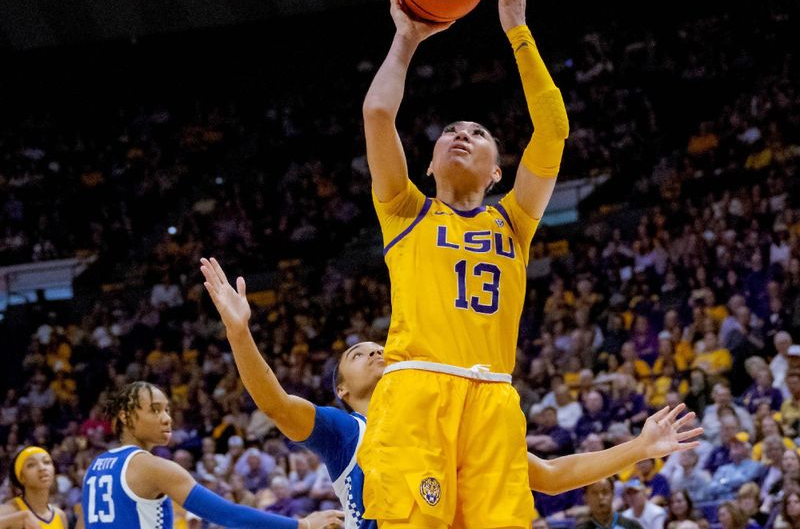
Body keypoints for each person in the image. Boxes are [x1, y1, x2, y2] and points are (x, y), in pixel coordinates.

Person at [201, 257, 703, 529]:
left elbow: (549, 477)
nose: (376, 354)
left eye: (381, 349)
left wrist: (640, 448)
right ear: (341, 389)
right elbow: (274, 405)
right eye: (359, 354)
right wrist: (240, 333)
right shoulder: (344, 431)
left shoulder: (450, 419)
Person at [359, 0, 570, 528]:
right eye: (450, 131)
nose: (461, 135)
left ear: (497, 172)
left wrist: (519, 32)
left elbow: (552, 131)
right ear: (426, 165)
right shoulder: (404, 210)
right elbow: (378, 114)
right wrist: (406, 39)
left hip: (494, 400)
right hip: (417, 393)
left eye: (478, 134)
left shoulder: (515, 221)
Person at [81, 381, 343, 529]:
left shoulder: (96, 466)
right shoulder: (152, 467)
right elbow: (228, 514)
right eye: (155, 410)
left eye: (167, 410)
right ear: (126, 417)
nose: (166, 419)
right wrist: (303, 526)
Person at [0, 446, 68, 529]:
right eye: (31, 465)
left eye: (46, 462)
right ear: (21, 477)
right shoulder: (10, 510)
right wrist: (21, 516)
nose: (42, 468)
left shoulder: (60, 515)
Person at [575, 478, 643, 529]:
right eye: (594, 493)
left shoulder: (631, 525)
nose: (600, 497)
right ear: (586, 497)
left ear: (613, 494)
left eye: (605, 492)